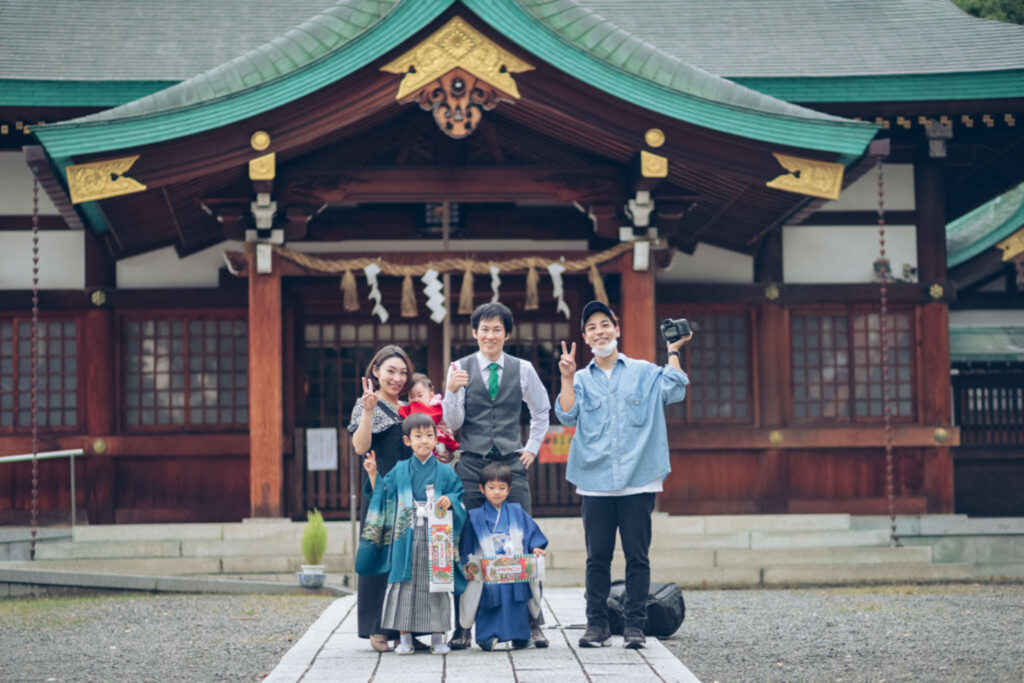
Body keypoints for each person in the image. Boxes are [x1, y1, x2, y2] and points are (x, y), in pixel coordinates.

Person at [554, 301, 691, 650]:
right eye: (592, 328)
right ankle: (596, 625)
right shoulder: (581, 378)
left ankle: (635, 626)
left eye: (605, 324)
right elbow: (567, 415)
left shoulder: (644, 371)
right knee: (596, 557)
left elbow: (675, 390)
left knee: (637, 556)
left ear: (617, 329)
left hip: (638, 478)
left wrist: (673, 350)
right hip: (595, 481)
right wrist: (567, 378)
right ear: (585, 338)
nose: (599, 331)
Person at [442, 301, 552, 649]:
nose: (490, 335)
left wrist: (532, 448)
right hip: (471, 463)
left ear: (506, 333)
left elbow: (541, 409)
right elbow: (453, 423)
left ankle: (535, 621)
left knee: (525, 544)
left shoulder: (523, 369)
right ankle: (463, 626)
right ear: (474, 332)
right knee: (466, 543)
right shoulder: (459, 367)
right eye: (484, 329)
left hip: (510, 462)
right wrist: (452, 390)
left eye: (497, 329)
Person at [356, 413, 467, 655]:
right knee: (403, 586)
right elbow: (384, 494)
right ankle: (404, 638)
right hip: (404, 536)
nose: (424, 441)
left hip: (436, 535)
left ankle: (438, 637)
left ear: (437, 439)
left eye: (429, 435)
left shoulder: (446, 472)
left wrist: (451, 500)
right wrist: (374, 473)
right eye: (418, 436)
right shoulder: (400, 470)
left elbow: (459, 496)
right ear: (407, 441)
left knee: (437, 585)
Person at [348, 345, 415, 652]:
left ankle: (408, 629)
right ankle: (378, 628)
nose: (397, 378)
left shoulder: (409, 408)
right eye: (391, 371)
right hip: (381, 492)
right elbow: (360, 447)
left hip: (410, 491)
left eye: (403, 372)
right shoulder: (365, 405)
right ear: (375, 371)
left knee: (408, 559)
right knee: (381, 558)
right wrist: (370, 411)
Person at [459, 463, 548, 651]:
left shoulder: (517, 511)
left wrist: (536, 548)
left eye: (502, 488)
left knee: (517, 599)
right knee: (489, 600)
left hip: (514, 567)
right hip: (488, 570)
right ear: (482, 489)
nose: (497, 492)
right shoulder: (475, 516)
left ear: (509, 489)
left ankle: (520, 637)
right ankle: (487, 637)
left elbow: (532, 535)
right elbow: (467, 543)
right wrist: (467, 564)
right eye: (491, 488)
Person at [400, 373, 459, 464]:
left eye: (420, 396)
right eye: (411, 397)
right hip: (423, 444)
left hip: (440, 440)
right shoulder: (412, 407)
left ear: (431, 395)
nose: (416, 400)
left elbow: (427, 419)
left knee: (439, 458)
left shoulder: (436, 405)